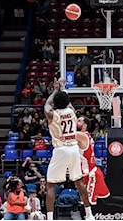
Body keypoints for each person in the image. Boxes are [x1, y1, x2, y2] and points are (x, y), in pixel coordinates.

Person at [76, 116, 123, 220]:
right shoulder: (84, 136)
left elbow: (64, 136)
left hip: (91, 175)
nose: (76, 122)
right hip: (91, 173)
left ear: (85, 125)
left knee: (87, 201)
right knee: (108, 199)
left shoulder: (82, 136)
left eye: (79, 121)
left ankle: (89, 217)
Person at [44, 77, 94, 220]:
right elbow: (68, 102)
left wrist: (54, 91)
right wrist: (63, 88)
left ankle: (49, 218)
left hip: (61, 149)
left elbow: (47, 105)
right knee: (79, 182)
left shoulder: (53, 114)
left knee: (51, 185)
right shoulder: (72, 112)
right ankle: (90, 215)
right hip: (73, 148)